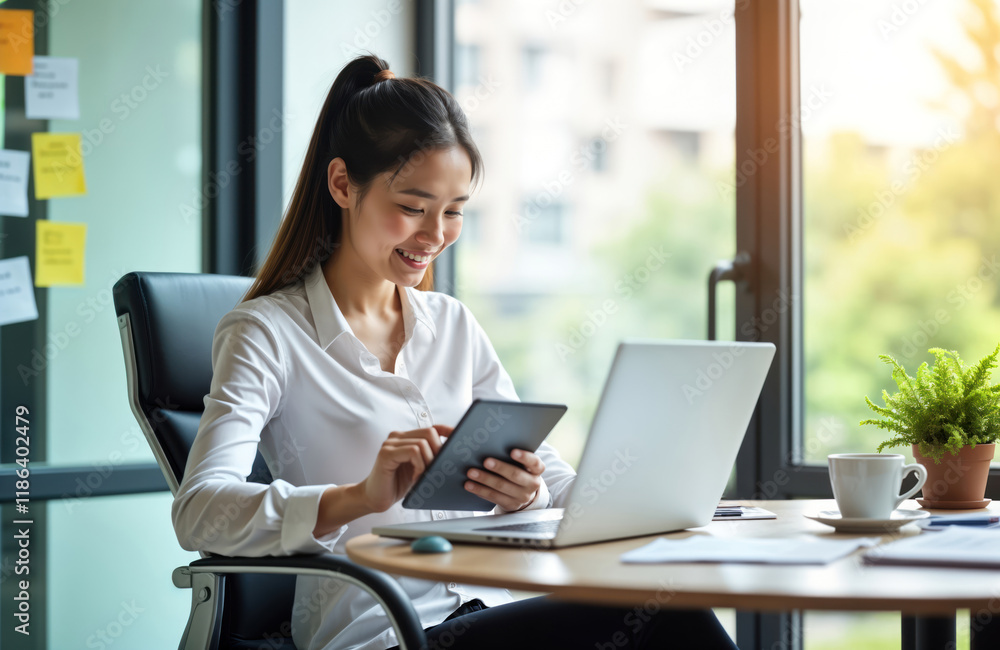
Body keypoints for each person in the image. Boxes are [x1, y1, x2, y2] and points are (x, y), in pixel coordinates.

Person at [171, 53, 738, 650]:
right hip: (382, 633)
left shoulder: (452, 325)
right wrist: (357, 497)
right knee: (666, 618)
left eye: (455, 212)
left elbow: (555, 479)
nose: (435, 235)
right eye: (412, 208)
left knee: (664, 608)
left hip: (489, 608)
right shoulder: (267, 333)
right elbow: (199, 511)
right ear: (342, 184)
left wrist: (533, 491)